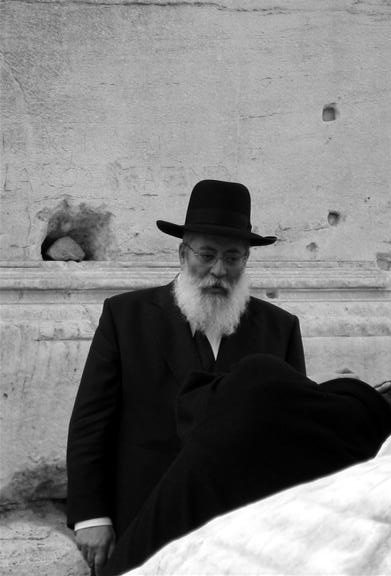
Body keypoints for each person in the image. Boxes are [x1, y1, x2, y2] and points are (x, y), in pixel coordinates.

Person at [66, 180, 306, 573]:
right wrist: (92, 516)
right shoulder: (126, 318)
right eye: (207, 254)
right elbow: (91, 423)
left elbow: (294, 436)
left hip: (242, 533)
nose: (219, 270)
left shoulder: (280, 329)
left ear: (247, 260)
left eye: (233, 258)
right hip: (143, 520)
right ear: (183, 253)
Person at [101, 355, 391, 576]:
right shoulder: (365, 485)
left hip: (143, 561)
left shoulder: (263, 379)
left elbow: (189, 408)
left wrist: (312, 383)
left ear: (381, 386)